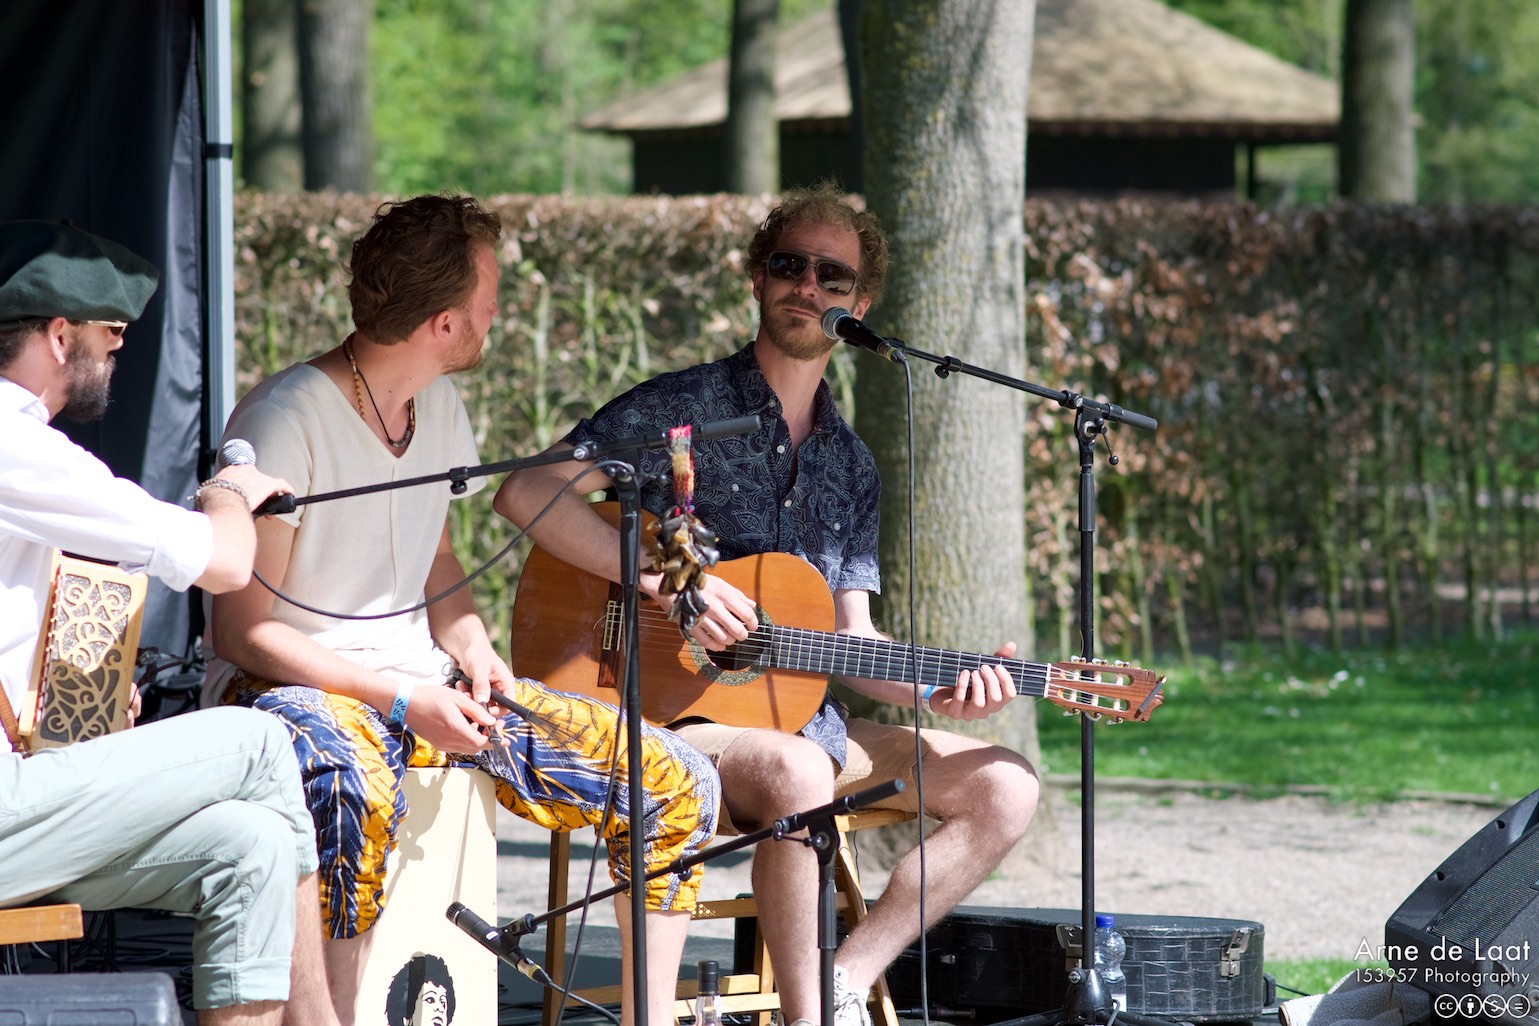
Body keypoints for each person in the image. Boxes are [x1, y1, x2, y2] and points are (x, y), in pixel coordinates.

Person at [494, 184, 1041, 1026]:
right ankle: (804, 1020)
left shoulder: (851, 465)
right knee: (798, 770)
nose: (807, 286)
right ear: (757, 278)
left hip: (799, 726)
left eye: (832, 276)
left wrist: (940, 688)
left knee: (1005, 786)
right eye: (789, 265)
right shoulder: (679, 408)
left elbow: (852, 639)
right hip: (654, 716)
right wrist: (667, 581)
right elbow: (525, 492)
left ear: (858, 306)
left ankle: (842, 981)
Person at [206, 194, 718, 1026]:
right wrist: (404, 700)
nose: (497, 315)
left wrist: (473, 647)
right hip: (291, 691)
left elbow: (437, 559)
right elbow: (243, 631)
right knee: (350, 782)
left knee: (670, 778)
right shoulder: (284, 418)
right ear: (443, 323)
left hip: (421, 683)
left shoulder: (439, 403)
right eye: (490, 298)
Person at [0, 220, 340, 1026]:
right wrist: (231, 490)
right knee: (260, 741)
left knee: (250, 845)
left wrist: (73, 698)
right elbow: (224, 563)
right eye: (111, 332)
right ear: (59, 336)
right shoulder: (13, 441)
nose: (120, 349)